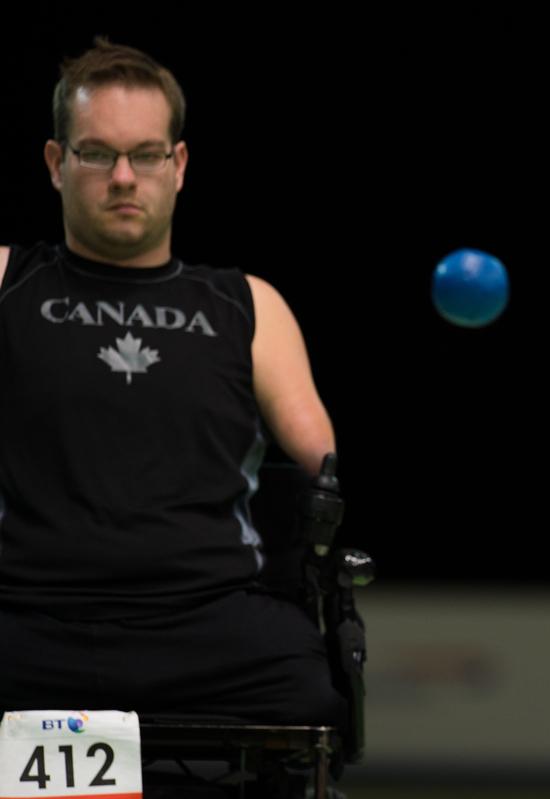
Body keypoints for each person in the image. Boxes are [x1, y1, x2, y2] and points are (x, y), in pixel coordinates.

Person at [0, 38, 344, 726]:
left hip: (205, 624)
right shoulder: (7, 281)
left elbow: (322, 470)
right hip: (26, 617)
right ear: (56, 164)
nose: (123, 176)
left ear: (178, 164)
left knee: (309, 692)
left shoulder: (247, 303)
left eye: (146, 154)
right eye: (97, 153)